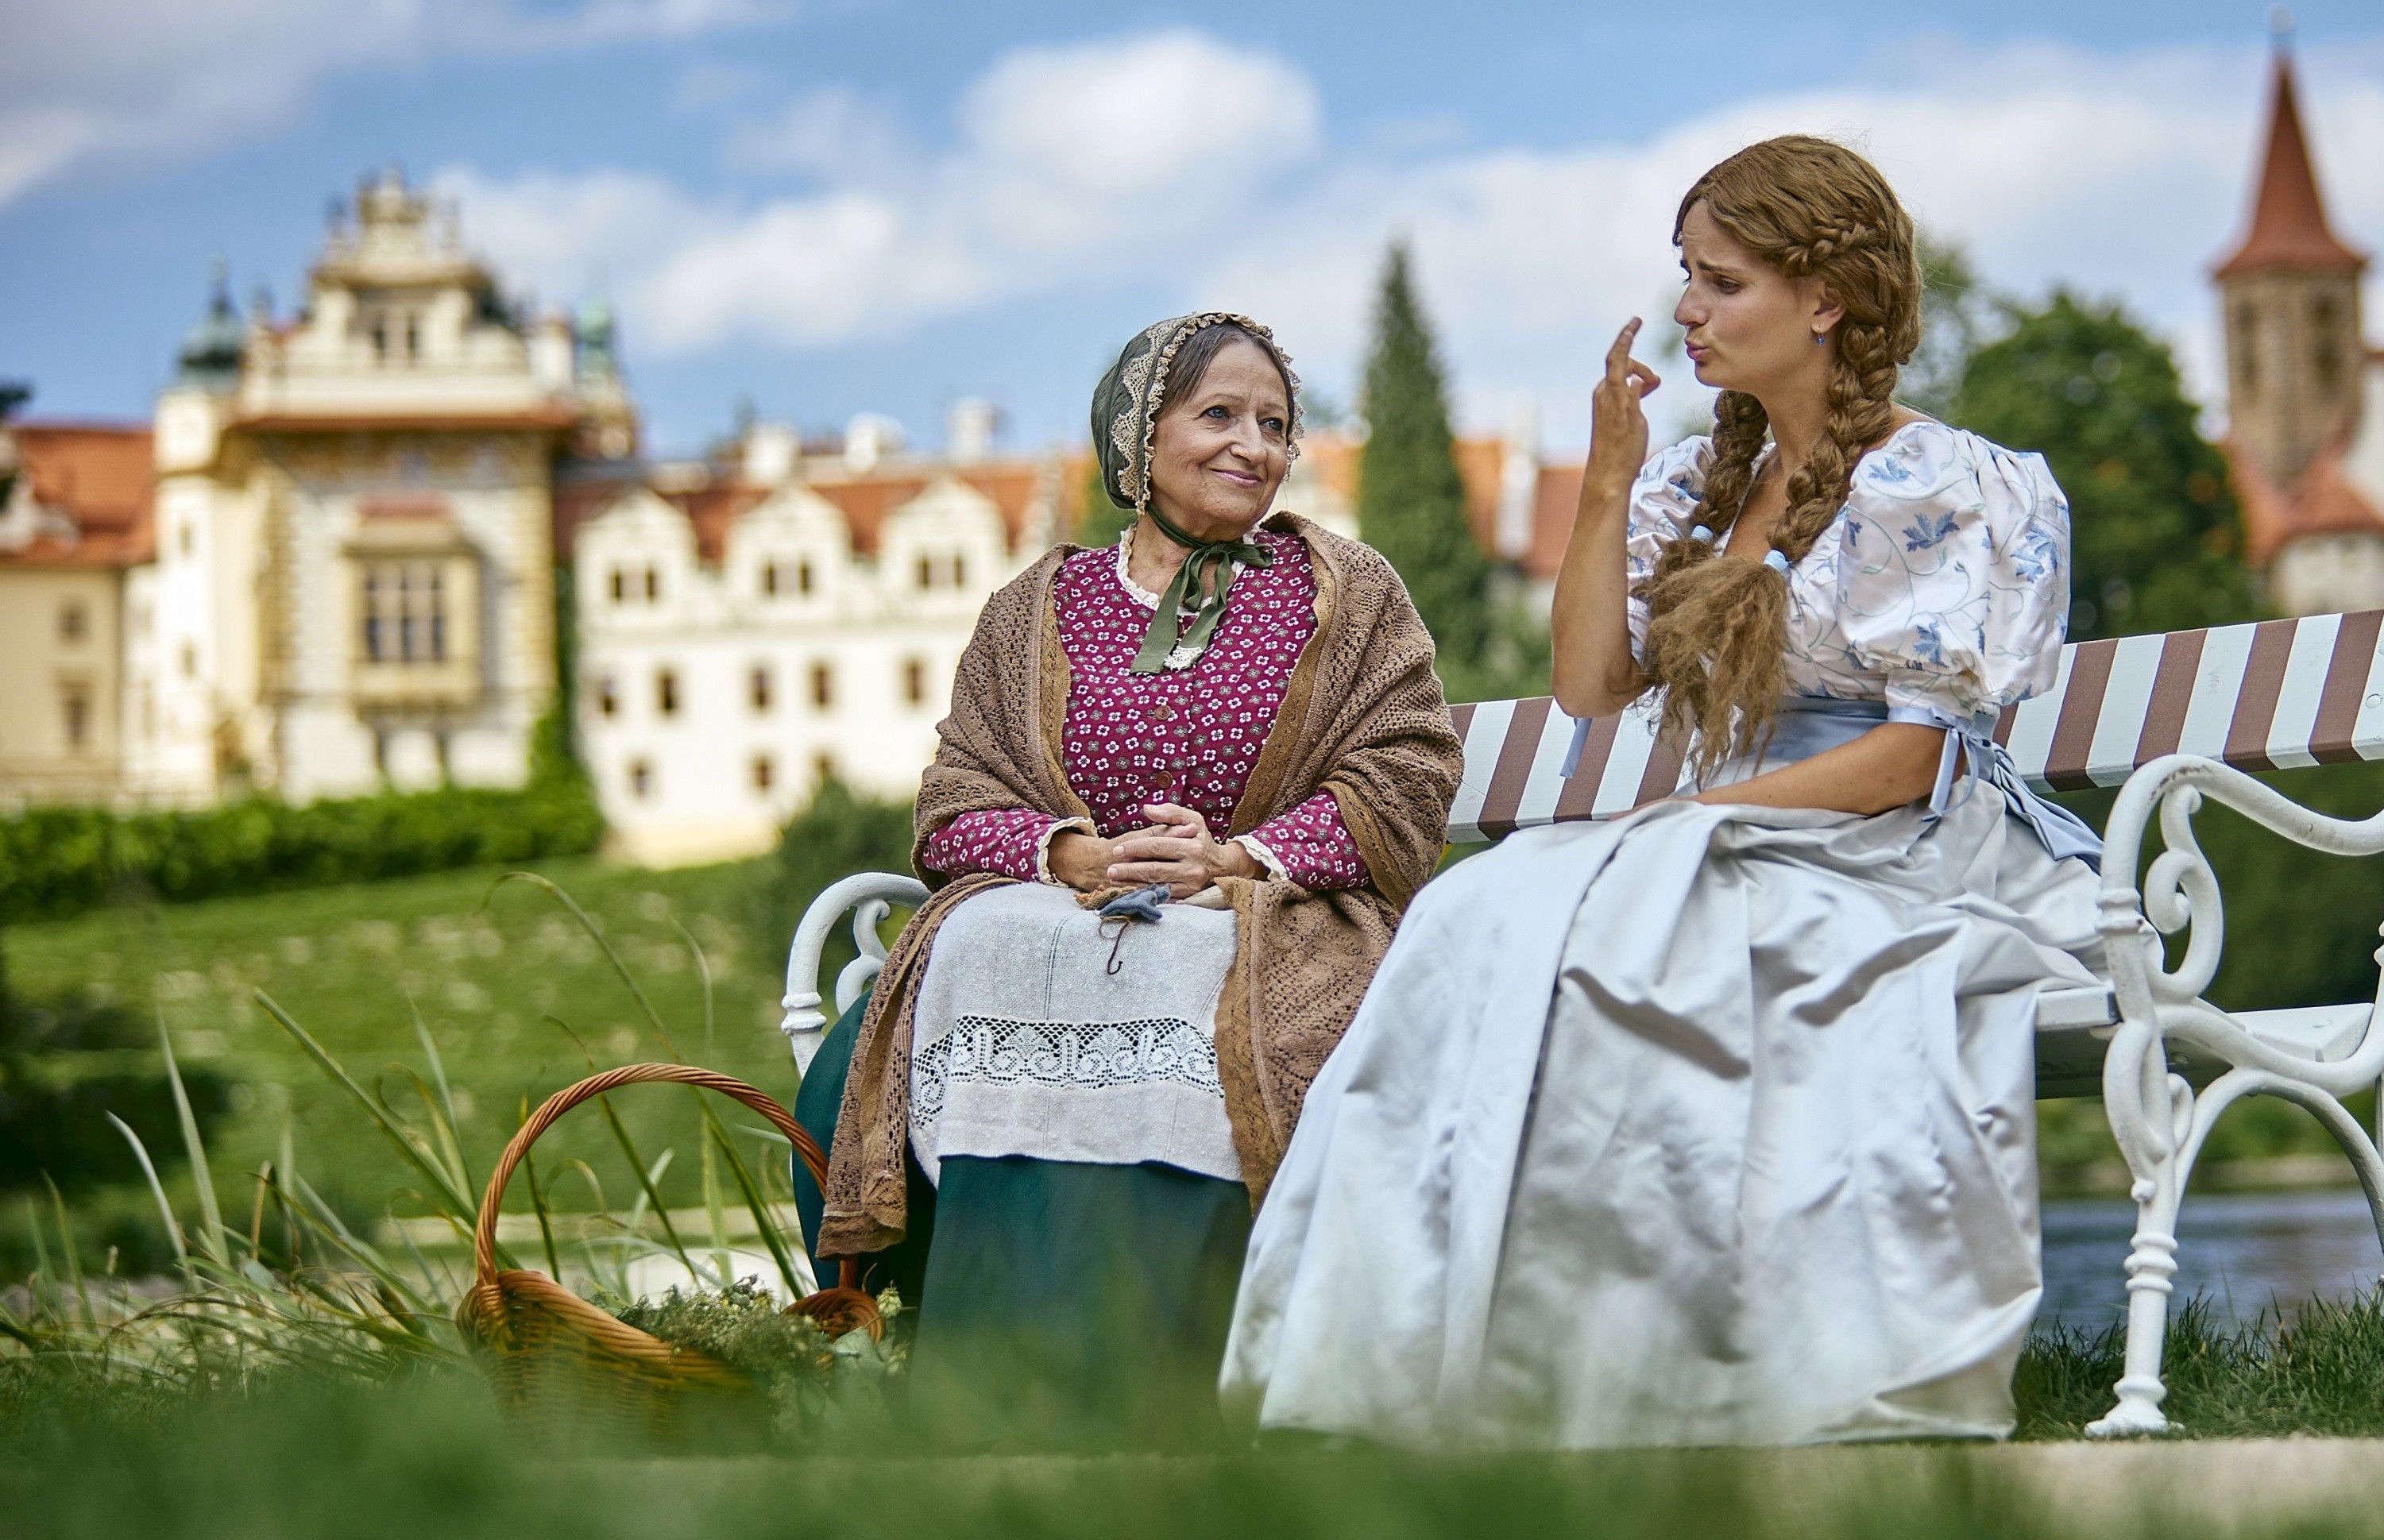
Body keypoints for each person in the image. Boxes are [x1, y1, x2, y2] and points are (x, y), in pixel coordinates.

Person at [1223, 137, 2108, 1448]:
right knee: (1480, 915)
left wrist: (1700, 822)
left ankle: (1675, 1359)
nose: (1688, 308)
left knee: (1631, 929)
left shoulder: (1936, 482)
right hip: (1733, 834)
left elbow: (1915, 757)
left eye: (1724, 281)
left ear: (1827, 298)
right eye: (1686, 276)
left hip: (1892, 836)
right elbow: (1587, 684)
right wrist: (1611, 475)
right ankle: (1461, 1357)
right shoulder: (1710, 483)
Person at [794, 312, 1462, 1447]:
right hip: (1069, 907)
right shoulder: (1033, 609)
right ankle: (987, 1384)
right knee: (972, 952)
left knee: (1195, 980)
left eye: (1275, 424)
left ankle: (1176, 1383)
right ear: (1135, 440)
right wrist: (1068, 852)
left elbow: (1407, 772)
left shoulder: (1346, 592)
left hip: (1267, 918)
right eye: (1219, 415)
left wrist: (1237, 858)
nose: (1254, 444)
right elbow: (955, 794)